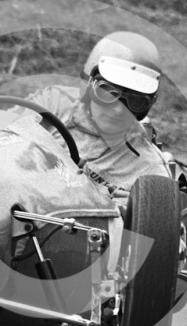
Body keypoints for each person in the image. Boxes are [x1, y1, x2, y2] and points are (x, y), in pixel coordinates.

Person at [12, 31, 172, 200]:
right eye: (108, 93)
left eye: (135, 101)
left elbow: (156, 219)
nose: (118, 110)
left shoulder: (150, 170)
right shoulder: (52, 104)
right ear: (88, 85)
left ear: (146, 107)